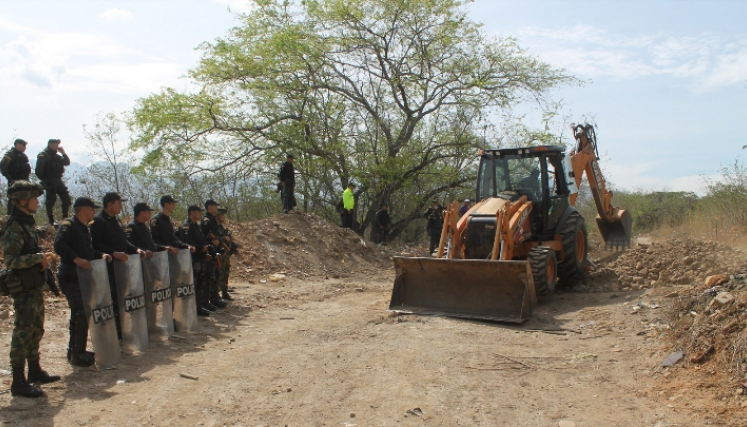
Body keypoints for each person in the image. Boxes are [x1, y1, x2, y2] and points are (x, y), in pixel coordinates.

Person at [1, 181, 59, 397]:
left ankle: (34, 370)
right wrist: (38, 257)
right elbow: (11, 260)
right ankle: (18, 380)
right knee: (22, 333)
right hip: (23, 288)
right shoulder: (13, 226)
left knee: (36, 328)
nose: (37, 201)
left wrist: (40, 255)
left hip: (34, 285)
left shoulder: (27, 223)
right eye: (33, 198)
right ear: (22, 200)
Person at [54, 197, 111, 368]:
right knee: (80, 313)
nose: (94, 212)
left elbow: (88, 251)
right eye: (92, 209)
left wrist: (100, 255)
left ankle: (76, 350)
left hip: (82, 277)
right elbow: (59, 246)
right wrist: (76, 259)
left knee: (82, 313)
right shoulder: (69, 225)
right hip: (70, 276)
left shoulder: (84, 228)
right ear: (84, 209)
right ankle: (77, 354)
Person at [90, 192, 145, 338]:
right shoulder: (98, 221)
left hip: (121, 267)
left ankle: (121, 328)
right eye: (119, 203)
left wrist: (135, 249)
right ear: (110, 204)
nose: (121, 206)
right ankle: (111, 331)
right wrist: (113, 253)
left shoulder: (116, 220)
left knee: (121, 297)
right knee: (109, 299)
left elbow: (123, 241)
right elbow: (95, 245)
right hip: (106, 268)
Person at [176, 205, 212, 317]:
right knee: (193, 284)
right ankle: (191, 308)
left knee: (200, 283)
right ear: (192, 212)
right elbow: (187, 243)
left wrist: (205, 252)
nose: (200, 214)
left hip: (199, 258)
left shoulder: (196, 226)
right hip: (191, 260)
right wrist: (201, 248)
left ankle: (198, 307)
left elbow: (201, 240)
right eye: (198, 212)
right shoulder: (186, 226)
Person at [34, 139, 72, 225]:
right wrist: (45, 180)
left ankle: (65, 217)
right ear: (51, 144)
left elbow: (66, 162)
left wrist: (63, 153)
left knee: (66, 198)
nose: (57, 146)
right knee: (50, 200)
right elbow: (38, 171)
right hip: (49, 180)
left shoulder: (57, 156)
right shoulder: (43, 155)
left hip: (58, 179)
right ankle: (51, 220)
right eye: (56, 144)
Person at [201, 199, 227, 308]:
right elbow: (203, 236)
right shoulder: (206, 220)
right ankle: (206, 301)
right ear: (209, 207)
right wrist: (211, 241)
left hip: (215, 251)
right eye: (215, 206)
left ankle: (215, 298)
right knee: (209, 277)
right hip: (209, 251)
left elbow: (217, 235)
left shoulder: (212, 220)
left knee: (216, 275)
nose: (217, 208)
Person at [1, 138, 31, 214]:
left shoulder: (24, 156)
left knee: (25, 198)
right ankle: (10, 215)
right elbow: (3, 167)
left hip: (24, 180)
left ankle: (23, 214)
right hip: (15, 180)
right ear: (17, 144)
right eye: (23, 145)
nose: (25, 147)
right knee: (14, 198)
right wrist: (10, 179)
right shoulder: (10, 154)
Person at [215, 207, 238, 301]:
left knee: (225, 273)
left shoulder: (222, 228)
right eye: (222, 215)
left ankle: (224, 292)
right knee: (218, 274)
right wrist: (224, 238)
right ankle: (216, 294)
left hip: (226, 254)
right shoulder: (215, 228)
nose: (223, 217)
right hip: (219, 254)